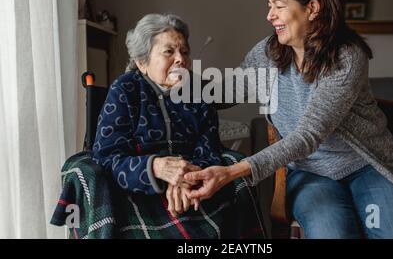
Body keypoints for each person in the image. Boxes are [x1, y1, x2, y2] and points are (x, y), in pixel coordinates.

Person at [185, 0, 393, 239]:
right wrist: (175, 78)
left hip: (368, 166)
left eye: (279, 6)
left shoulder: (346, 57)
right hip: (311, 174)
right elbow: (221, 94)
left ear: (311, 8)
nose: (269, 16)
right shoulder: (268, 55)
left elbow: (308, 135)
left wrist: (230, 172)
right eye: (269, 6)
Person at [92, 14, 265, 239]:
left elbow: (209, 148)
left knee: (234, 170)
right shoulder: (125, 89)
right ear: (142, 62)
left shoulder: (198, 91)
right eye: (169, 51)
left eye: (184, 52)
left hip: (192, 190)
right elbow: (107, 156)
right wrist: (154, 167)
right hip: (138, 191)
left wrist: (186, 180)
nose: (180, 59)